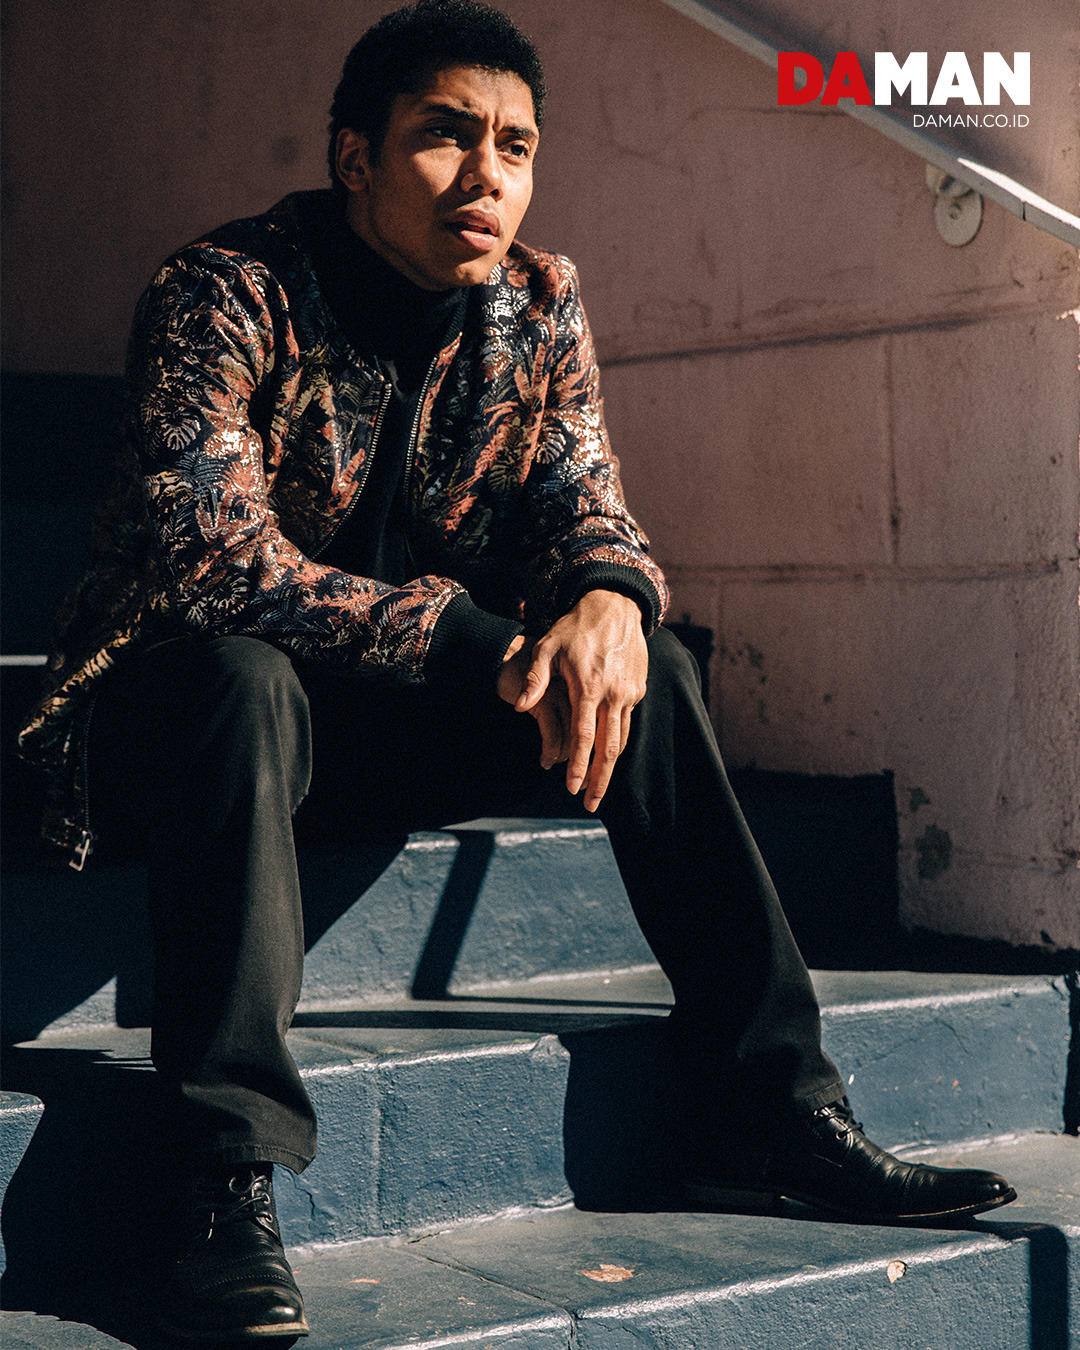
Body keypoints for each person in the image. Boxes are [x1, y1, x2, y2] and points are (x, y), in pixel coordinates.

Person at [17, 0, 1016, 1339]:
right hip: (174, 738)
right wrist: (478, 638)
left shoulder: (535, 304)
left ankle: (772, 1106)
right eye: (447, 135)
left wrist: (608, 599)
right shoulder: (226, 291)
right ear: (356, 156)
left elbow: (587, 506)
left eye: (517, 146)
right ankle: (218, 1173)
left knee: (651, 670)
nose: (487, 174)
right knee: (242, 676)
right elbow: (214, 565)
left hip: (379, 728)